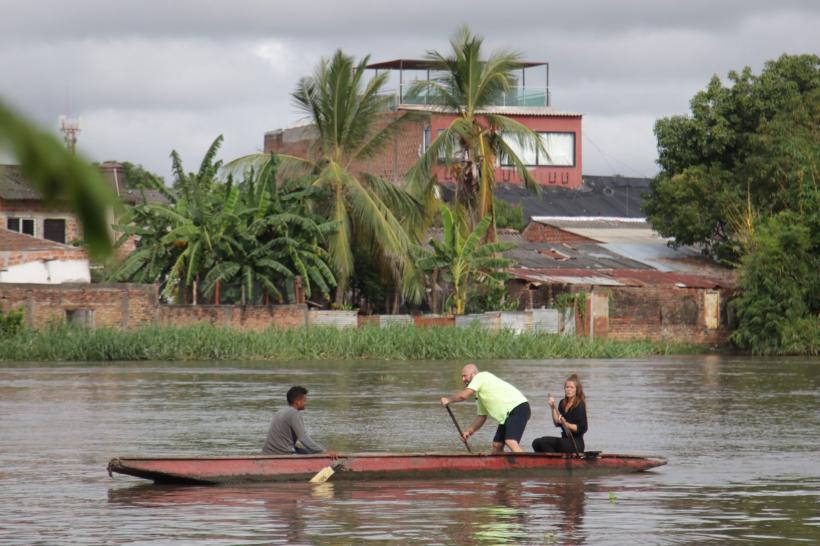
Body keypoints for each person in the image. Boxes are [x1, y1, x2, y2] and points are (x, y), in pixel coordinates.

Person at [440, 363, 530, 453]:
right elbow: (482, 416)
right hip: (507, 415)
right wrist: (468, 432)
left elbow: (464, 396)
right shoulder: (480, 394)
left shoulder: (481, 377)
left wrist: (448, 400)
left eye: (465, 376)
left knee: (510, 441)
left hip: (518, 408)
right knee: (496, 446)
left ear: (474, 374)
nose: (463, 379)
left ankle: (526, 465)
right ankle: (499, 466)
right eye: (462, 377)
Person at [262, 386, 327, 455]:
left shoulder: (281, 411)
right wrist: (323, 451)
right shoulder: (294, 413)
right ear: (297, 402)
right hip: (282, 453)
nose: (306, 403)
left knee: (311, 451)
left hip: (267, 452)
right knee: (319, 451)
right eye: (304, 400)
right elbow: (303, 438)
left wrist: (320, 450)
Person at [532, 374, 588, 453]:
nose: (568, 389)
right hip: (565, 441)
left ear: (577, 390)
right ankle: (552, 462)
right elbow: (557, 423)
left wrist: (566, 424)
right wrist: (552, 407)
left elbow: (582, 428)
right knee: (536, 443)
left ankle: (554, 462)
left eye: (571, 387)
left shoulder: (580, 404)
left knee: (543, 442)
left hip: (575, 444)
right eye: (567, 387)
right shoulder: (562, 403)